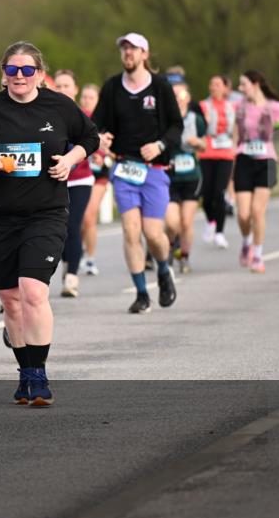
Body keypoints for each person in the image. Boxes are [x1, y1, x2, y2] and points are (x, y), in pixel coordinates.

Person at [0, 41, 99, 407]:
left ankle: (39, 374)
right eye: (12, 70)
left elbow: (89, 137)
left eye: (27, 70)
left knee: (33, 292)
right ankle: (25, 371)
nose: (19, 76)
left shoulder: (59, 106)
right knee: (11, 301)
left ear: (40, 75)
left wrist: (70, 160)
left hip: (46, 214)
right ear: (3, 74)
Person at [93, 33, 182, 314]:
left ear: (145, 53)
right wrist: (100, 138)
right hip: (124, 168)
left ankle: (164, 270)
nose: (128, 53)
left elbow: (176, 127)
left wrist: (160, 145)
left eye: (133, 48)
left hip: (154, 169)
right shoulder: (112, 87)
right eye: (124, 49)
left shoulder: (160, 86)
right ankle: (142, 294)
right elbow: (96, 124)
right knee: (131, 231)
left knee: (153, 234)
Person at [233, 70, 279, 273]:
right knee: (243, 214)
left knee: (257, 211)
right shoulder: (240, 106)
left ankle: (258, 255)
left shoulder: (273, 107)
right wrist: (232, 154)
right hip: (244, 160)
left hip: (266, 161)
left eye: (243, 84)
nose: (240, 88)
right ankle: (246, 241)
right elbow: (235, 132)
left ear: (255, 84)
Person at [54, 70, 94, 297]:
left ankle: (72, 277)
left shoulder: (84, 116)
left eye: (66, 86)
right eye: (58, 86)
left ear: (75, 89)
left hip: (80, 180)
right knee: (58, 228)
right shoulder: (47, 114)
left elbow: (94, 142)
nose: (62, 90)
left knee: (73, 224)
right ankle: (67, 261)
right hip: (54, 180)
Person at [165, 85, 206, 274]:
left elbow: (204, 145)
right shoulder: (164, 119)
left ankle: (184, 256)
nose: (178, 98)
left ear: (188, 97)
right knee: (172, 222)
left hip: (191, 176)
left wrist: (198, 143)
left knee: (186, 222)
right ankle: (171, 246)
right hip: (170, 176)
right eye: (174, 95)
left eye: (181, 94)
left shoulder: (196, 120)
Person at [199, 74, 238, 249]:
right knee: (206, 196)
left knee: (219, 192)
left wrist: (235, 147)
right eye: (211, 84)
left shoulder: (232, 106)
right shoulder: (203, 106)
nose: (214, 87)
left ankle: (220, 233)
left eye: (217, 84)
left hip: (225, 154)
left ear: (225, 88)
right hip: (207, 153)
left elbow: (236, 129)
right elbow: (196, 127)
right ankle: (211, 221)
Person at [78, 83, 108, 276]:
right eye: (84, 97)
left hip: (99, 175)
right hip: (80, 172)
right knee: (79, 218)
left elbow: (112, 145)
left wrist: (102, 154)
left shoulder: (105, 121)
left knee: (89, 215)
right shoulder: (76, 118)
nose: (87, 100)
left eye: (91, 97)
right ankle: (78, 247)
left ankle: (90, 258)